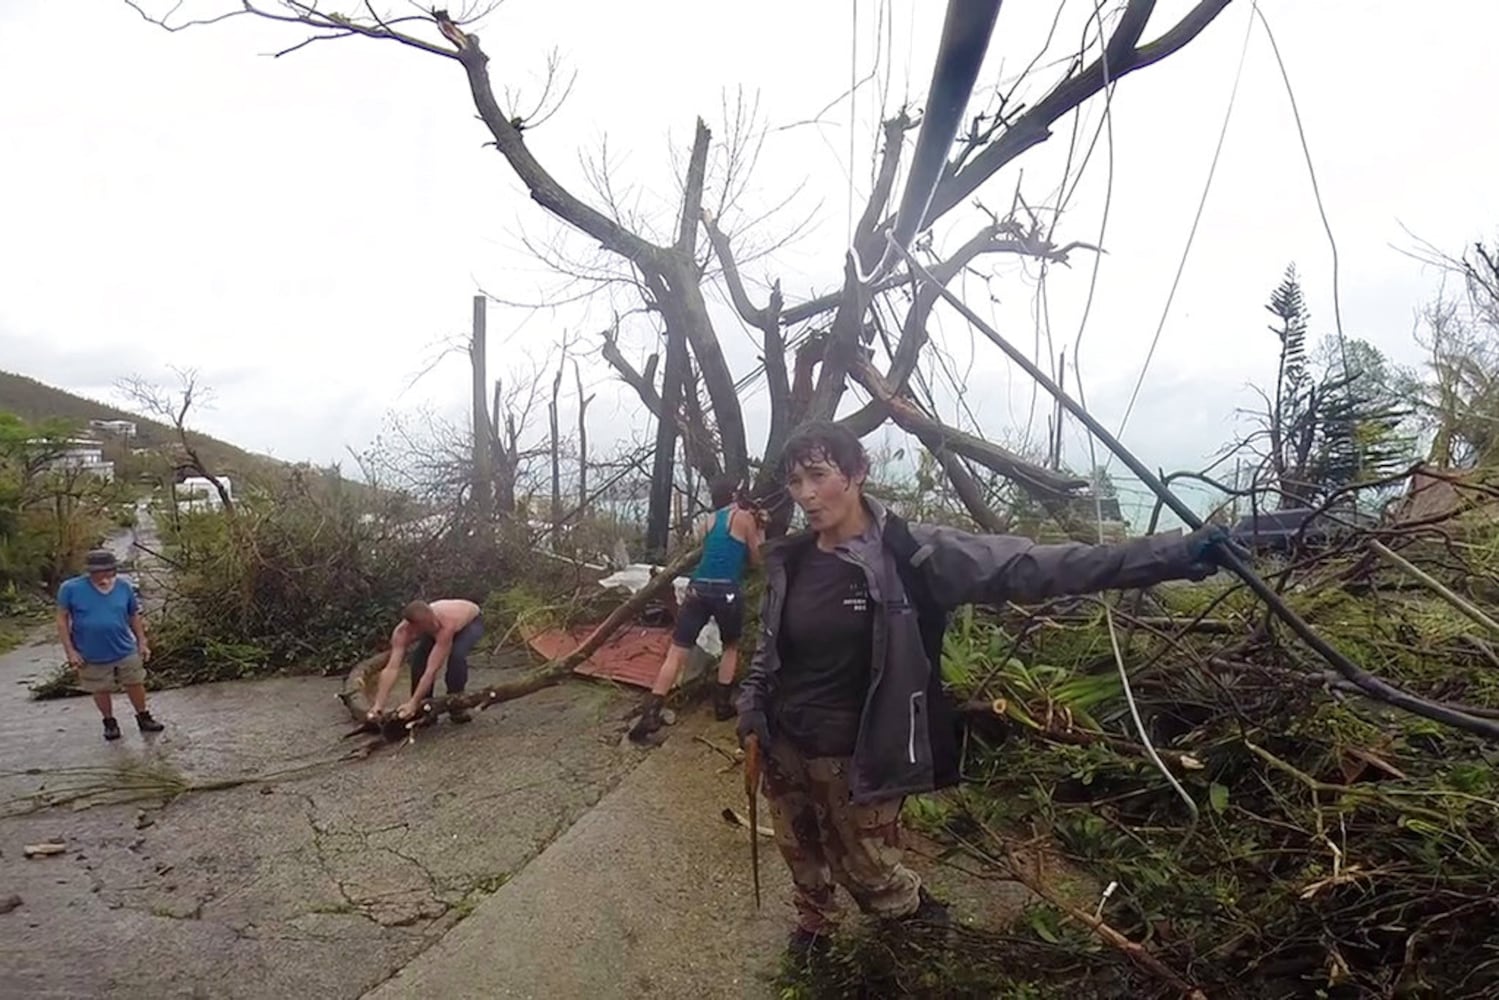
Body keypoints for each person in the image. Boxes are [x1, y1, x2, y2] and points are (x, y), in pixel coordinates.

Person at [735, 421, 1235, 959]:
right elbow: (769, 649)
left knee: (869, 869)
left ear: (857, 473)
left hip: (860, 754)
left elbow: (1037, 565)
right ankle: (816, 921)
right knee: (799, 849)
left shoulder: (911, 553)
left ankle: (918, 919)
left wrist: (1174, 556)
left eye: (818, 476)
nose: (806, 495)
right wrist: (751, 706)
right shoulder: (795, 560)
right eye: (794, 482)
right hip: (785, 743)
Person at [629, 475, 766, 743]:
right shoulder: (743, 518)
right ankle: (722, 705)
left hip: (697, 588)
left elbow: (710, 552)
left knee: (677, 651)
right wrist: (760, 529)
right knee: (730, 646)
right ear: (736, 494)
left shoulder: (707, 522)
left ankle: (651, 712)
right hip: (726, 590)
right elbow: (756, 559)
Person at [56, 548, 164, 741]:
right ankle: (109, 722)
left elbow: (134, 616)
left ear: (113, 570)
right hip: (90, 650)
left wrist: (142, 642)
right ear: (89, 571)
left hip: (124, 646)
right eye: (96, 572)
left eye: (106, 571)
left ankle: (143, 717)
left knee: (135, 682)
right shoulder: (70, 589)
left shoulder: (124, 587)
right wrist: (71, 651)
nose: (101, 576)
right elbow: (62, 620)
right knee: (100, 687)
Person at [368, 598, 484, 724]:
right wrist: (378, 705)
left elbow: (432, 671)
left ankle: (456, 703)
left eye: (433, 621)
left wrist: (413, 702)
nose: (435, 625)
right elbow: (391, 668)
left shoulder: (444, 624)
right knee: (418, 661)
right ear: (414, 626)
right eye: (430, 624)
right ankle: (424, 709)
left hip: (470, 623)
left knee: (457, 656)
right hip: (434, 628)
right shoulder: (401, 633)